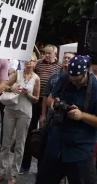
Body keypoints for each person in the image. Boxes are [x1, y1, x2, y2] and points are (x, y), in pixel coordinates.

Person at [36, 55, 97, 184]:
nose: (73, 82)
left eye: (77, 80)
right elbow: (50, 98)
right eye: (71, 79)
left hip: (80, 150)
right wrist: (54, 104)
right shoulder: (64, 79)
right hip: (56, 144)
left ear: (86, 71)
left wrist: (82, 116)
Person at [0, 53, 40, 184]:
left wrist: (28, 94)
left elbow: (36, 99)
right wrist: (12, 87)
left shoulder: (36, 78)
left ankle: (14, 174)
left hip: (25, 112)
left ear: (35, 63)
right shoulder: (18, 74)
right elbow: (4, 85)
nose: (28, 62)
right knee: (5, 143)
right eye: (27, 60)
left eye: (31, 60)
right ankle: (1, 172)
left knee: (20, 145)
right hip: (10, 110)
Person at [21, 45, 61, 174]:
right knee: (30, 132)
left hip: (49, 103)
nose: (47, 55)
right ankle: (25, 164)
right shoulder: (38, 64)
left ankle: (42, 166)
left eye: (50, 53)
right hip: (35, 100)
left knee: (45, 134)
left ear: (56, 54)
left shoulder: (59, 67)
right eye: (45, 53)